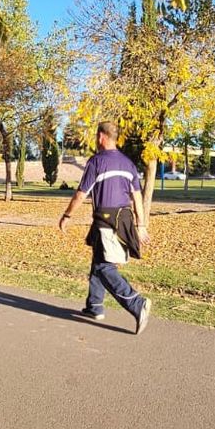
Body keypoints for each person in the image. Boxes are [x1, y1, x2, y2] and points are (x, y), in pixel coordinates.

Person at [58, 121, 152, 335]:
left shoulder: (97, 162)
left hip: (106, 220)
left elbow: (81, 193)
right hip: (124, 220)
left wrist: (67, 215)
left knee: (104, 267)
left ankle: (137, 303)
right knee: (97, 260)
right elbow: (137, 197)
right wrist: (141, 225)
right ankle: (95, 306)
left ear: (101, 136)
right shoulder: (128, 164)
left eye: (95, 136)